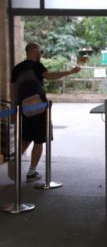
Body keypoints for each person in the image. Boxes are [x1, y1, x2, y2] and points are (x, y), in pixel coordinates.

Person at [11, 42, 81, 182]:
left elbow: (13, 89)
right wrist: (70, 72)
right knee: (39, 140)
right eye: (40, 51)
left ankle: (14, 165)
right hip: (39, 108)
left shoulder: (17, 68)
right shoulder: (36, 65)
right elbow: (50, 76)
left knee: (25, 138)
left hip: (23, 109)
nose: (41, 54)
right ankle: (31, 172)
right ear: (34, 50)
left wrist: (15, 109)